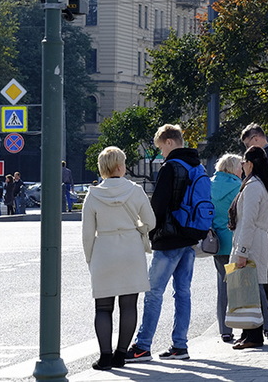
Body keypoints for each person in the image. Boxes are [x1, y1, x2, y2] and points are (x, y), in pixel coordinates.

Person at [128, 124, 201, 362]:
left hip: (169, 239)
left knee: (154, 292)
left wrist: (150, 232)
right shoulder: (197, 165)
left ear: (169, 141)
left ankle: (142, 346)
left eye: (161, 147)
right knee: (183, 293)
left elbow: (158, 206)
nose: (161, 153)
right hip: (190, 237)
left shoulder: (171, 167)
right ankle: (180, 346)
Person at [82, 146, 156, 370]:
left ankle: (104, 357)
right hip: (131, 250)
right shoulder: (135, 190)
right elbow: (151, 222)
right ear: (119, 166)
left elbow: (87, 234)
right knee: (129, 305)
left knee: (103, 308)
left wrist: (90, 260)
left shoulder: (93, 194)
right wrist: (138, 230)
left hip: (104, 251)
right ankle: (121, 354)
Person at [229, 146, 268, 350]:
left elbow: (248, 221)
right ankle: (248, 333)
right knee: (246, 289)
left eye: (243, 162)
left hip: (250, 243)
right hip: (254, 240)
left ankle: (254, 335)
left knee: (249, 290)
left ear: (249, 163)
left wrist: (241, 251)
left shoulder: (252, 186)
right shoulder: (260, 184)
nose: (242, 166)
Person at [240, 123, 268, 304]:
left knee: (260, 267)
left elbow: (248, 221)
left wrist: (241, 251)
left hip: (262, 217)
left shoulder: (266, 158)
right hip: (265, 214)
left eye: (247, 144)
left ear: (256, 139)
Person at [210, 153, 244, 343]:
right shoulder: (238, 187)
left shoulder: (209, 184)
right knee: (241, 285)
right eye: (240, 166)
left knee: (222, 286)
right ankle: (249, 324)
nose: (242, 169)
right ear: (232, 168)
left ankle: (224, 329)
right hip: (235, 242)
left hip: (216, 243)